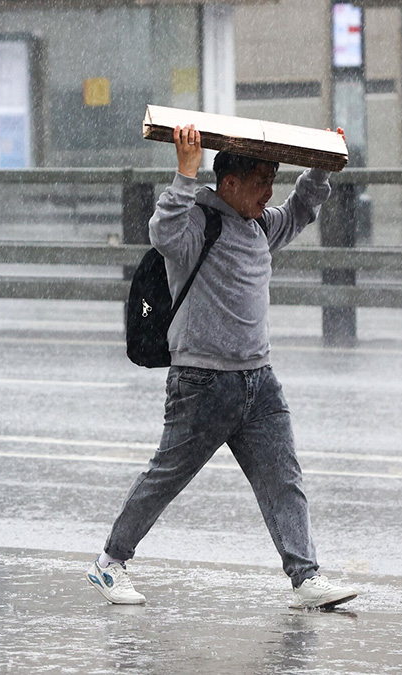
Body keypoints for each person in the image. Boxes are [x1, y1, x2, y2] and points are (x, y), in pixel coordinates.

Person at [86, 124, 359, 610]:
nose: (268, 191)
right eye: (260, 181)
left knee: (283, 479)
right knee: (165, 477)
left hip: (260, 381)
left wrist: (320, 162)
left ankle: (306, 578)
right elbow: (161, 230)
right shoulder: (196, 225)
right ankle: (110, 563)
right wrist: (184, 172)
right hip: (202, 382)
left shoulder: (258, 225)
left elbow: (299, 210)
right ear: (228, 184)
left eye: (272, 179)